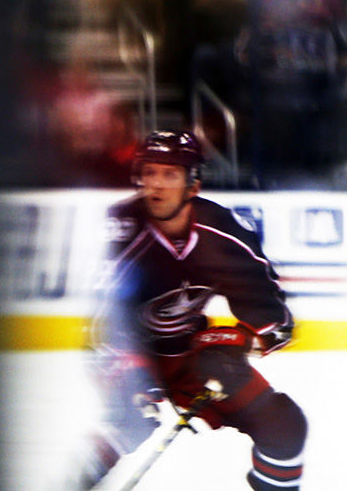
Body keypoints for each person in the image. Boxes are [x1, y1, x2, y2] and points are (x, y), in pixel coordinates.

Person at [81, 130, 306, 490]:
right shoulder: (124, 227)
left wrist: (239, 342)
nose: (156, 185)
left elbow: (275, 320)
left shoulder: (224, 233)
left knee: (286, 425)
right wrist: (134, 379)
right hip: (126, 352)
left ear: (193, 185)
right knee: (127, 424)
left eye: (170, 175)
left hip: (190, 355)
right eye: (150, 172)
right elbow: (103, 322)